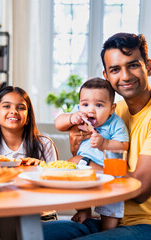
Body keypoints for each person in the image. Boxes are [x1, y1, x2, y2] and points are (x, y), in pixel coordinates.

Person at [41, 33, 151, 240]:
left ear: (148, 66)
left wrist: (82, 164)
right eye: (115, 69)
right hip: (110, 219)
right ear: (106, 76)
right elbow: (91, 154)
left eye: (133, 65)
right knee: (20, 233)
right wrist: (77, 147)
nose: (125, 76)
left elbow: (139, 190)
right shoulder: (112, 112)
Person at [0, 86, 58, 240]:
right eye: (6, 106)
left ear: (28, 116)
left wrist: (42, 169)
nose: (14, 111)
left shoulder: (44, 144)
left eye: (21, 107)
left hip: (42, 216)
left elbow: (55, 188)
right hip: (2, 216)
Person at [54, 77, 129, 231]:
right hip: (83, 167)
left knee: (111, 203)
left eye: (99, 105)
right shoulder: (80, 118)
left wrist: (104, 144)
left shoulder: (115, 123)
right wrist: (70, 118)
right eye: (85, 104)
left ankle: (108, 229)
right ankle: (83, 210)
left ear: (112, 108)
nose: (91, 110)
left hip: (107, 170)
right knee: (66, 171)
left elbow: (123, 146)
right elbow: (59, 123)